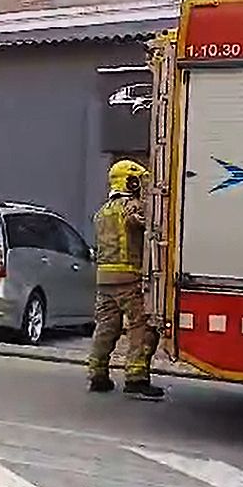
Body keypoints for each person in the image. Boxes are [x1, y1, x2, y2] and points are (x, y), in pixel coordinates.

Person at [86, 159, 165, 400]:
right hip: (128, 278)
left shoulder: (101, 212)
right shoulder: (131, 207)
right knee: (142, 326)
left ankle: (97, 373)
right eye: (138, 182)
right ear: (130, 182)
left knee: (106, 328)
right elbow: (144, 225)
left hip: (104, 279)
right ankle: (136, 377)